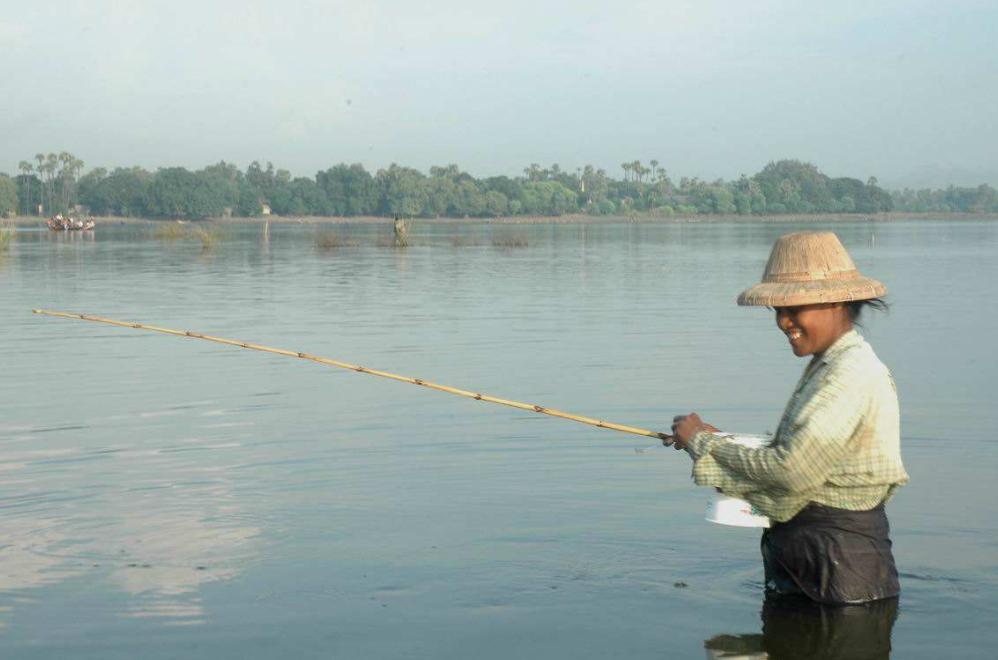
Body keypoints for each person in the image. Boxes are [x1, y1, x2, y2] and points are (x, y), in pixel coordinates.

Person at [670, 231, 909, 605]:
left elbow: (792, 470)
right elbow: (811, 455)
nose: (783, 322)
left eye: (794, 309)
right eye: (778, 311)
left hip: (838, 573)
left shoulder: (848, 376)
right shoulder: (832, 365)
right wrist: (723, 441)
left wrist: (703, 444)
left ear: (835, 303)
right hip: (825, 568)